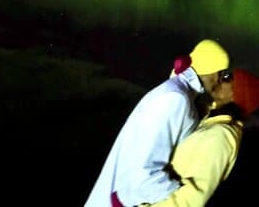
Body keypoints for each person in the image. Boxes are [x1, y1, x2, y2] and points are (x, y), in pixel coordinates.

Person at [84, 39, 231, 207]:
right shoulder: (175, 99)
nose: (222, 79)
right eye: (222, 72)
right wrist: (184, 194)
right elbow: (145, 176)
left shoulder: (179, 95)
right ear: (211, 69)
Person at [150, 67, 259, 207]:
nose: (218, 78)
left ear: (236, 94)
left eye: (226, 78)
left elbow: (194, 195)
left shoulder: (222, 135)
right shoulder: (208, 117)